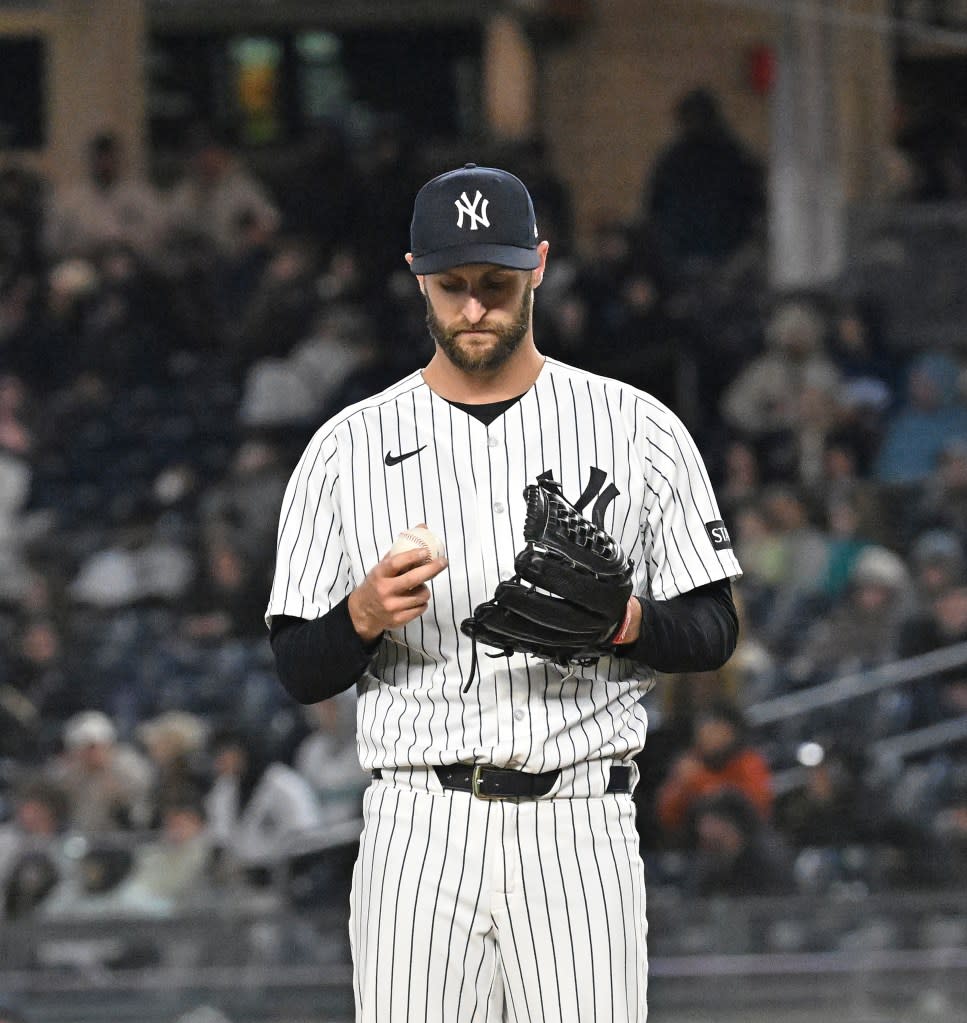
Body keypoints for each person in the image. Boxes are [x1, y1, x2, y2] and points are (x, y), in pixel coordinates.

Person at [266, 163, 742, 1022]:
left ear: (540, 265)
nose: (475, 307)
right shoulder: (346, 448)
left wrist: (627, 623)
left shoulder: (638, 428)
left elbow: (713, 628)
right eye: (452, 286)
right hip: (418, 821)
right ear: (417, 274)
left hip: (577, 817)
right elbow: (300, 666)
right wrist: (363, 615)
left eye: (496, 282)